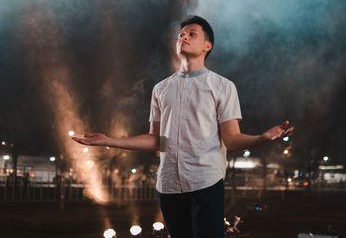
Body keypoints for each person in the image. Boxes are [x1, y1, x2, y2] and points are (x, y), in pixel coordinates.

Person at [72, 15, 294, 238]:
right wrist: (110, 141)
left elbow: (232, 139)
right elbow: (156, 140)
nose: (183, 37)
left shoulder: (223, 87)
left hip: (206, 183)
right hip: (168, 186)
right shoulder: (161, 89)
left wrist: (262, 137)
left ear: (208, 45)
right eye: (181, 35)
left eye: (191, 34)